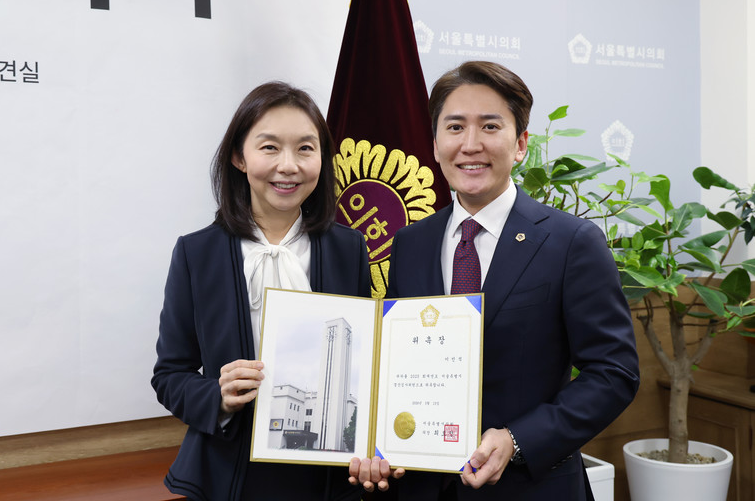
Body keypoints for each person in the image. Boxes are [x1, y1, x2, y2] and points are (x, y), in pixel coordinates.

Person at [349, 61, 640, 500]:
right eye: (455, 127)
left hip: (529, 488)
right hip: (421, 487)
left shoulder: (571, 242)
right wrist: (373, 442)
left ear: (520, 144)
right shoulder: (410, 242)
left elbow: (614, 373)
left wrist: (518, 440)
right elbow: (395, 363)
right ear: (435, 144)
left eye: (489, 126)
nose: (470, 145)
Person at [152, 81, 370, 501]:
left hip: (326, 474)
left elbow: (364, 364)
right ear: (239, 156)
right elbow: (170, 375)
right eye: (269, 147)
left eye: (305, 149)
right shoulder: (197, 253)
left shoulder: (349, 249)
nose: (288, 165)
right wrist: (217, 396)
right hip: (228, 472)